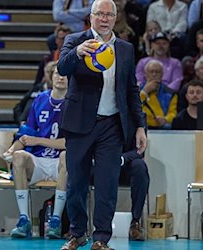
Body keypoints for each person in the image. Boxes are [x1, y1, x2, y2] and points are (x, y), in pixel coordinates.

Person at [57, 0, 147, 249]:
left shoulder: (126, 49)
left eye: (109, 14)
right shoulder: (76, 40)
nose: (105, 19)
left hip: (111, 126)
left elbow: (132, 90)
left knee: (107, 185)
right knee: (76, 183)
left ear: (115, 18)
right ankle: (77, 234)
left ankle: (101, 239)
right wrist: (77, 53)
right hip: (79, 124)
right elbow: (62, 69)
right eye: (100, 14)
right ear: (91, 15)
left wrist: (140, 126)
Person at [4, 62, 68, 239]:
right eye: (57, 74)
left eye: (65, 74)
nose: (61, 77)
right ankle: (24, 220)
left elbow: (71, 143)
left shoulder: (75, 103)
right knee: (18, 157)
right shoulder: (40, 99)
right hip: (39, 162)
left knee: (67, 156)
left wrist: (38, 140)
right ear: (51, 77)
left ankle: (56, 220)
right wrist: (11, 150)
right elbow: (27, 134)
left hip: (61, 163)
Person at [119, 115, 149, 241]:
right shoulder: (99, 111)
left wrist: (121, 159)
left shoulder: (138, 117)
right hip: (101, 162)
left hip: (124, 164)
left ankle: (135, 222)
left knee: (140, 167)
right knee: (79, 168)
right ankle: (76, 225)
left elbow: (139, 150)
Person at [139, 60, 177, 129]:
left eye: (157, 72)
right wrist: (144, 92)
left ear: (162, 74)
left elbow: (173, 113)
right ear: (145, 74)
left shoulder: (170, 93)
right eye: (151, 71)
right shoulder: (136, 91)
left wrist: (166, 119)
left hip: (162, 128)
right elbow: (134, 108)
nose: (154, 74)